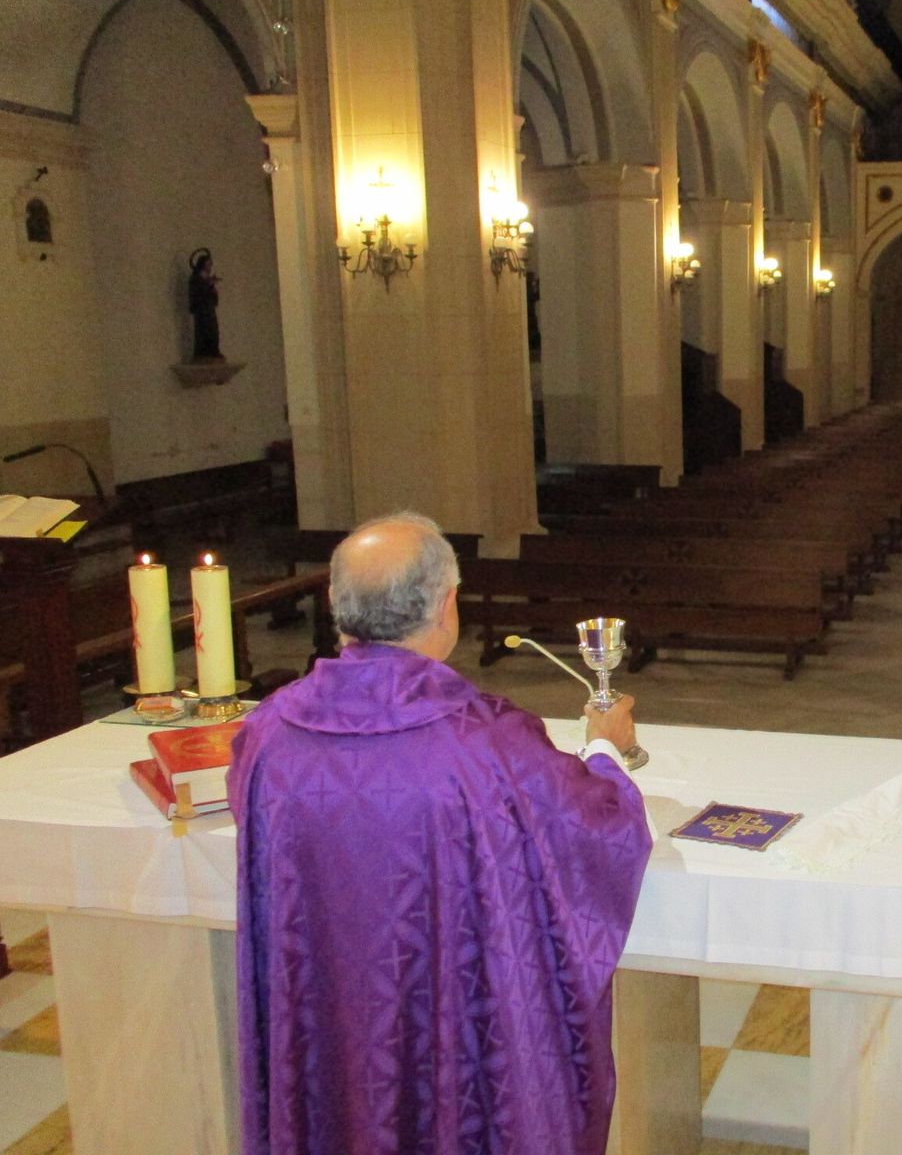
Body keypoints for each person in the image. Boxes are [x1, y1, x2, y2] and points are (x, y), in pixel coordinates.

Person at [228, 512, 652, 1155]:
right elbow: (595, 828)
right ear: (446, 605)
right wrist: (605, 751)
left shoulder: (268, 732)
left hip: (330, 1023)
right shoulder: (487, 741)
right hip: (452, 1040)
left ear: (338, 609)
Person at [187, 248, 223, 362]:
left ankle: (213, 351)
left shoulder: (207, 278)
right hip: (201, 310)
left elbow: (212, 296)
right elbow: (197, 293)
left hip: (209, 309)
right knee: (204, 331)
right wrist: (208, 285)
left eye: (210, 265)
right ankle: (203, 352)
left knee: (213, 330)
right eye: (208, 265)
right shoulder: (196, 278)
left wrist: (212, 286)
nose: (210, 267)